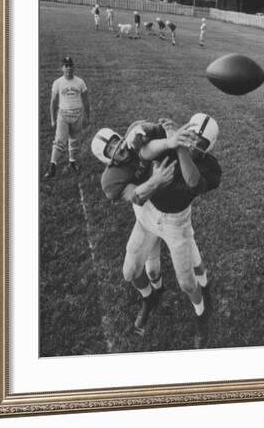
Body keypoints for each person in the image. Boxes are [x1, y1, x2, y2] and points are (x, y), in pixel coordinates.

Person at [92, 115, 222, 347]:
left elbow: (192, 181)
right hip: (148, 216)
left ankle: (201, 315)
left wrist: (177, 144)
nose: (192, 143)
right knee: (130, 271)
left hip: (176, 222)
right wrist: (165, 142)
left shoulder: (211, 168)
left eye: (199, 143)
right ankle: (149, 298)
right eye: (191, 136)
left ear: (209, 146)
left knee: (187, 283)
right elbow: (146, 149)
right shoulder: (169, 142)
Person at [44, 57, 90, 177]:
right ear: (62, 68)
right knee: (60, 140)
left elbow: (86, 101)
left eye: (70, 65)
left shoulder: (80, 82)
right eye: (66, 66)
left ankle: (72, 162)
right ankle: (52, 166)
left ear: (73, 67)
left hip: (77, 116)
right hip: (63, 115)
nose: (69, 68)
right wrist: (53, 119)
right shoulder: (58, 83)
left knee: (74, 140)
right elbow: (53, 102)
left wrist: (87, 117)